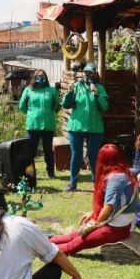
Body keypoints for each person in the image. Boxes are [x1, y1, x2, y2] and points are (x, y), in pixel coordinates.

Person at [49, 144, 139, 255]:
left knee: (74, 244)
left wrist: (94, 223)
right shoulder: (124, 173)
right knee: (75, 235)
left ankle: (39, 247)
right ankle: (42, 239)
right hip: (119, 224)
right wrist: (93, 213)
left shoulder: (115, 178)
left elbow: (108, 207)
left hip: (116, 228)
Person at [62, 63, 108, 192]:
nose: (88, 75)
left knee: (93, 156)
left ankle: (97, 184)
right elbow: (66, 105)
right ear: (83, 73)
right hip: (76, 127)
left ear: (95, 74)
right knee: (76, 155)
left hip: (95, 128)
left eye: (91, 73)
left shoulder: (100, 88)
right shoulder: (76, 86)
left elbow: (104, 107)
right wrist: (69, 92)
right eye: (86, 72)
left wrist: (97, 94)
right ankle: (72, 183)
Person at [18, 69, 59, 179]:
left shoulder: (51, 90)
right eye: (38, 76)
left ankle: (50, 172)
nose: (41, 78)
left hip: (48, 125)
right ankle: (30, 174)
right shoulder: (28, 90)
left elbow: (56, 105)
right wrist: (31, 113)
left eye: (43, 76)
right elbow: (22, 106)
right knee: (30, 152)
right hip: (33, 125)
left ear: (46, 78)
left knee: (48, 151)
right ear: (34, 78)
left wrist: (50, 112)